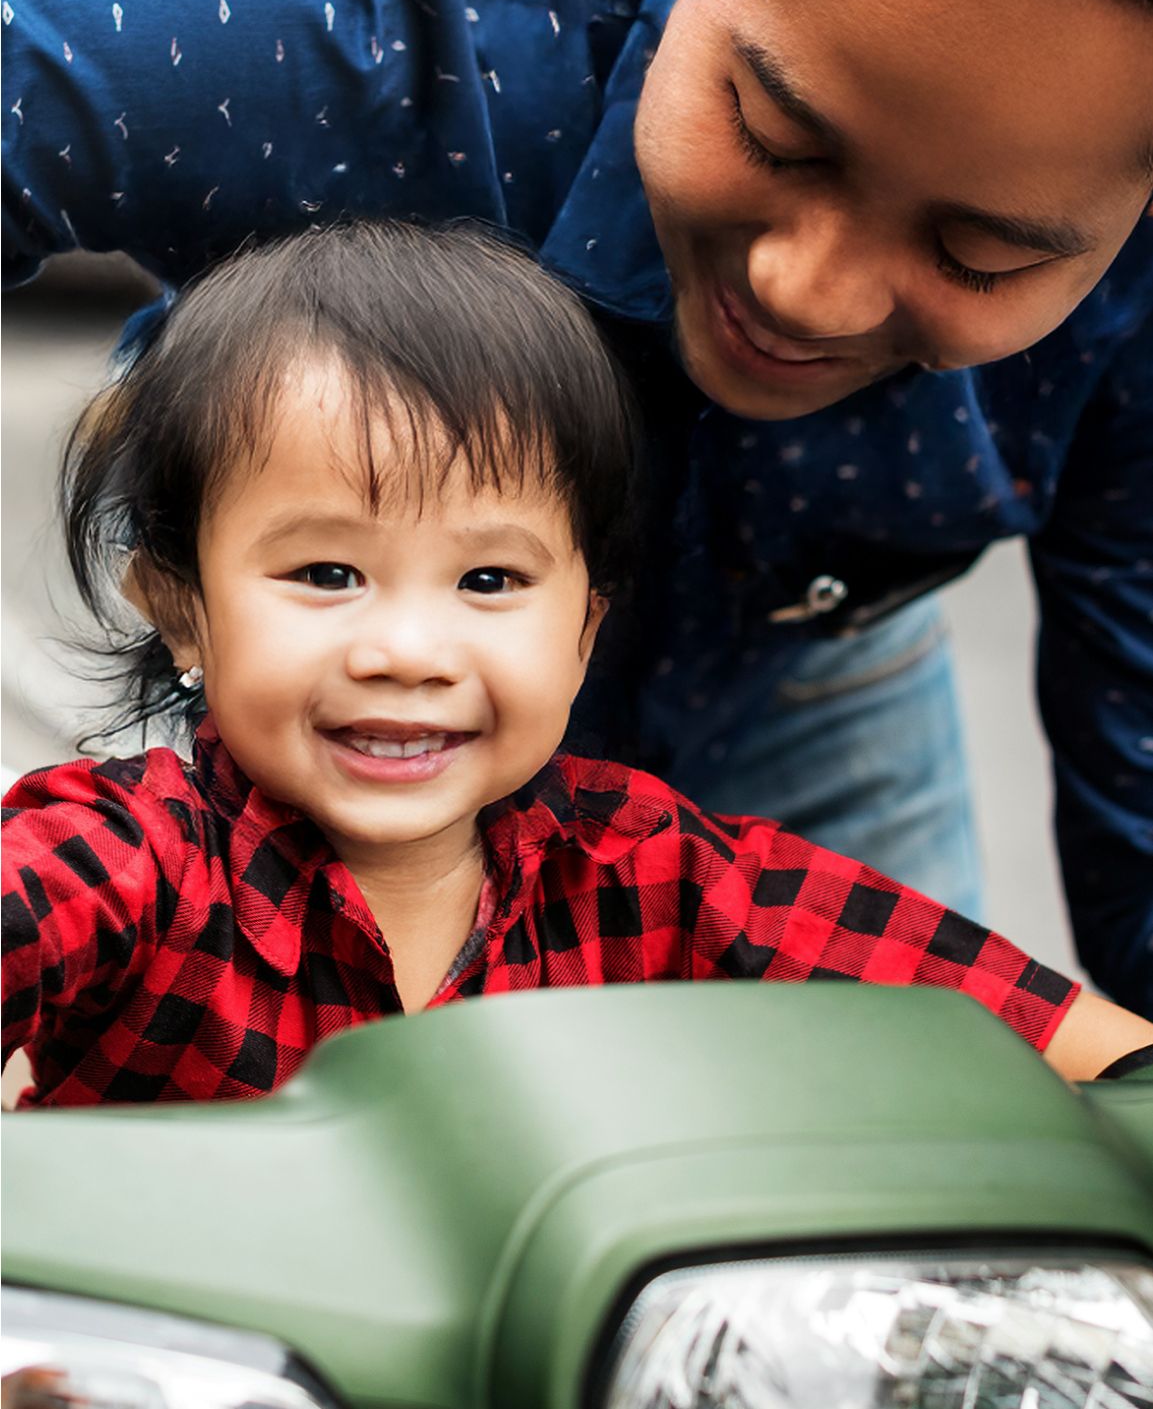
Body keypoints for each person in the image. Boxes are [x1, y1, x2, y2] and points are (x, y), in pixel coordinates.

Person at [2, 0, 1151, 1009]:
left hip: (786, 652)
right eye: (777, 134)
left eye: (979, 252)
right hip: (265, 708)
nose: (813, 293)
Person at [2, 221, 1149, 1108]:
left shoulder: (652, 871)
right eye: (325, 572)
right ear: (184, 613)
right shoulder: (129, 858)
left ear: (585, 630)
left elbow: (1022, 1022)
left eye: (490, 582)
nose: (407, 651)